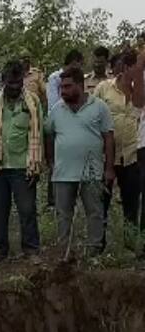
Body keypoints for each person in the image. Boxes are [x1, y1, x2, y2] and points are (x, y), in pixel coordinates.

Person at [45, 65, 114, 256]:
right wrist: (51, 162)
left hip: (92, 172)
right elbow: (48, 134)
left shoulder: (99, 107)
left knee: (95, 213)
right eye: (62, 87)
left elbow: (109, 137)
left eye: (68, 86)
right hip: (63, 172)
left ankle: (93, 252)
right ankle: (65, 252)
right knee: (63, 214)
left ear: (80, 85)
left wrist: (109, 168)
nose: (63, 91)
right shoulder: (57, 110)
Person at [0, 60, 43, 262]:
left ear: (22, 80)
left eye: (18, 83)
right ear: (3, 81)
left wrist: (37, 166)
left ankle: (31, 251)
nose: (14, 87)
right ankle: (0, 250)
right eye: (10, 83)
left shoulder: (33, 102)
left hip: (24, 166)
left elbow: (38, 134)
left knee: (27, 210)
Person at [95, 50, 145, 247]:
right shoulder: (103, 88)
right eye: (138, 68)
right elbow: (93, 117)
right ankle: (98, 244)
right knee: (102, 203)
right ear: (127, 68)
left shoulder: (140, 91)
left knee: (131, 203)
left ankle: (131, 243)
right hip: (106, 156)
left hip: (132, 156)